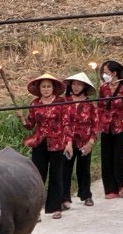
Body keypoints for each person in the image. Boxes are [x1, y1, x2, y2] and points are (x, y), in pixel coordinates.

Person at [24, 72, 72, 219]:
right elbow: (30, 124)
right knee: (38, 176)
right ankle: (36, 210)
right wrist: (22, 118)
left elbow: (67, 124)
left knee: (56, 175)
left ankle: (55, 207)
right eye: (43, 87)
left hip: (57, 142)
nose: (45, 89)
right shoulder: (34, 104)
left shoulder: (61, 102)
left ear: (53, 88)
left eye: (48, 86)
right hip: (39, 142)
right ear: (39, 89)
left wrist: (68, 142)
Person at [97, 60, 123, 199]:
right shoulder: (103, 88)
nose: (104, 75)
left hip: (121, 127)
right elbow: (100, 106)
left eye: (106, 72)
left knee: (119, 157)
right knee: (106, 158)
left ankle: (122, 184)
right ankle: (110, 188)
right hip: (107, 127)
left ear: (114, 73)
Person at [63, 72, 98, 208]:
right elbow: (61, 123)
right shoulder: (64, 102)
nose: (76, 87)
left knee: (84, 170)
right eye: (74, 84)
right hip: (67, 142)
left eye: (79, 84)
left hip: (84, 142)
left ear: (84, 87)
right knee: (65, 170)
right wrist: (67, 142)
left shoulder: (90, 104)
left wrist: (90, 143)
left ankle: (86, 195)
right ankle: (64, 198)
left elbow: (95, 126)